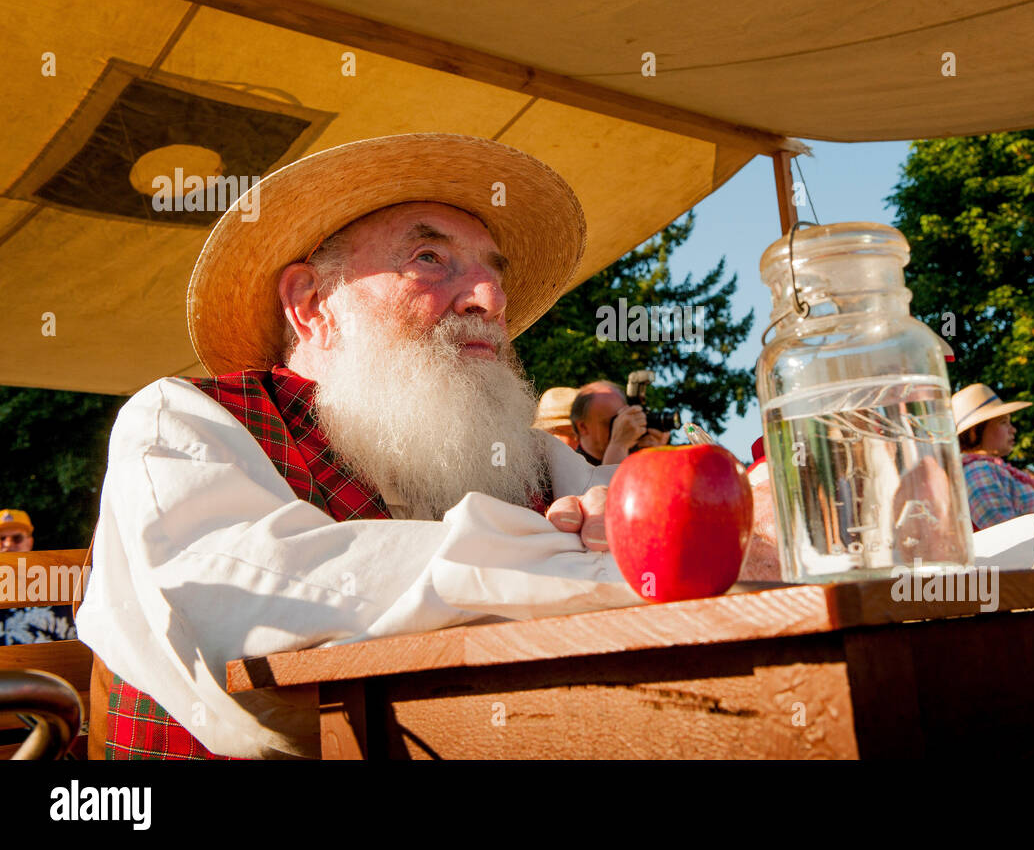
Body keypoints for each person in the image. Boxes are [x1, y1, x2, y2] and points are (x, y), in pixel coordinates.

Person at [74, 133, 638, 759]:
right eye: (429, 257)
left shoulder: (535, 459)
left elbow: (661, 533)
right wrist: (584, 564)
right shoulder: (183, 420)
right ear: (312, 303)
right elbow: (258, 628)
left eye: (493, 274)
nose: (492, 300)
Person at [953, 383, 1034, 557]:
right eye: (1003, 422)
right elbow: (1009, 540)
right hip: (1029, 574)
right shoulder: (977, 471)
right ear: (975, 431)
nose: (1013, 430)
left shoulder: (989, 469)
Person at [0, 509, 77, 645]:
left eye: (17, 538)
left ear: (29, 542)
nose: (8, 544)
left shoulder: (57, 583)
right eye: (1, 538)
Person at [570, 380, 669, 467]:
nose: (622, 427)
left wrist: (655, 456)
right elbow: (610, 486)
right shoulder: (568, 468)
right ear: (583, 427)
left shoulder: (632, 454)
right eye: (614, 421)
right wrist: (618, 445)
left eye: (624, 419)